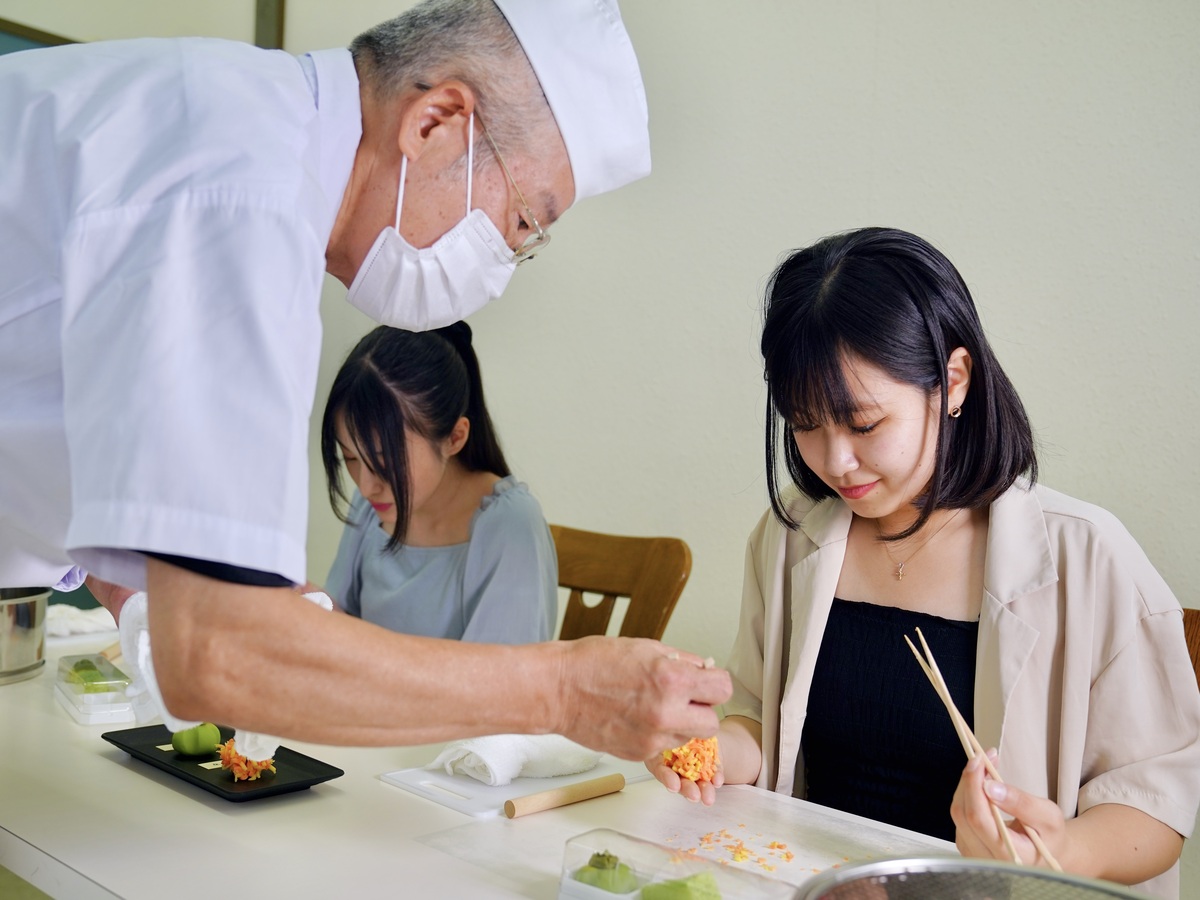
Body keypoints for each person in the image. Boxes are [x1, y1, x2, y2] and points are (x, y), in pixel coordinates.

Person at [0, 0, 731, 761]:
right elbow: (217, 658)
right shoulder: (243, 193)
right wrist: (564, 691)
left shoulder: (232, 126)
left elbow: (47, 420)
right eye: (521, 221)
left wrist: (156, 597)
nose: (502, 269)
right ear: (434, 122)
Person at [649, 228, 1200, 896]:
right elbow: (762, 720)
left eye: (863, 424)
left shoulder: (1084, 556)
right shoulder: (793, 534)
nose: (834, 460)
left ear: (953, 381)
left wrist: (1066, 848)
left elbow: (1157, 804)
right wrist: (706, 750)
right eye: (805, 423)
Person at [321, 322, 556, 643]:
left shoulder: (509, 525)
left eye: (385, 462)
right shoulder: (371, 507)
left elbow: (499, 684)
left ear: (454, 438)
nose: (365, 486)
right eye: (349, 458)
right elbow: (331, 634)